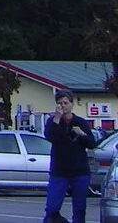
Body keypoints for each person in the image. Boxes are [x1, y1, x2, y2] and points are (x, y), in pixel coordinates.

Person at [43, 89, 96, 223]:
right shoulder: (52, 122)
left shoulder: (81, 122)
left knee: (79, 208)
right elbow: (50, 136)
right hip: (59, 172)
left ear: (72, 104)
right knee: (52, 208)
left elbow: (91, 143)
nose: (63, 106)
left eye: (66, 103)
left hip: (80, 172)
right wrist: (57, 117)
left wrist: (82, 134)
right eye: (60, 103)